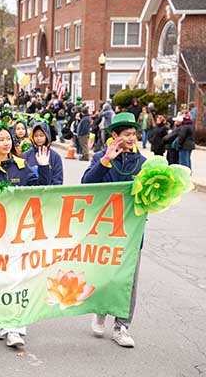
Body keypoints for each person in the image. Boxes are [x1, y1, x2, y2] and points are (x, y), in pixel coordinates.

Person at [0, 122, 50, 349]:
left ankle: (15, 328)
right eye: (1, 140)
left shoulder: (21, 166)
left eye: (8, 139)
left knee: (15, 277)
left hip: (18, 233)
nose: (6, 143)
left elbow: (40, 191)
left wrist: (43, 168)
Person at [81, 112, 146, 348]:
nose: (131, 138)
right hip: (105, 230)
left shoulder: (142, 163)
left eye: (134, 134)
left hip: (132, 232)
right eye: (126, 134)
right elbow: (86, 184)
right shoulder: (101, 157)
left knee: (128, 281)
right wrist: (105, 161)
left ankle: (122, 327)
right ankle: (100, 310)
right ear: (115, 135)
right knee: (105, 276)